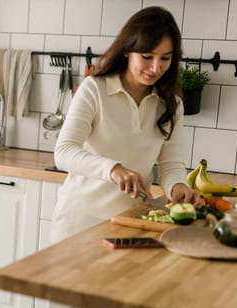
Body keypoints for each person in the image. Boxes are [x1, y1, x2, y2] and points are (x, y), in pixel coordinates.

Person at [51, 6, 200, 242]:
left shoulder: (171, 105)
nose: (155, 68)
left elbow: (170, 164)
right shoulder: (94, 89)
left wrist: (178, 186)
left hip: (131, 221)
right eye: (147, 57)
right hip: (79, 222)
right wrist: (113, 169)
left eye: (165, 58)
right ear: (128, 50)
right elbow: (64, 152)